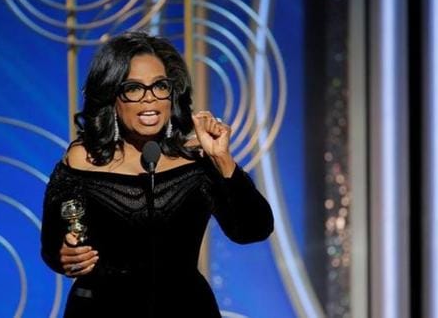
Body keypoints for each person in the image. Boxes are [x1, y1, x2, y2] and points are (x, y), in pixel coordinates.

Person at [40, 31, 274, 317]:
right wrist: (65, 256)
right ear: (113, 96)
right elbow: (52, 246)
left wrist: (223, 161)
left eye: (159, 86)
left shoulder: (196, 161)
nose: (149, 99)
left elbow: (253, 230)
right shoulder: (83, 159)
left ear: (171, 93)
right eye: (134, 88)